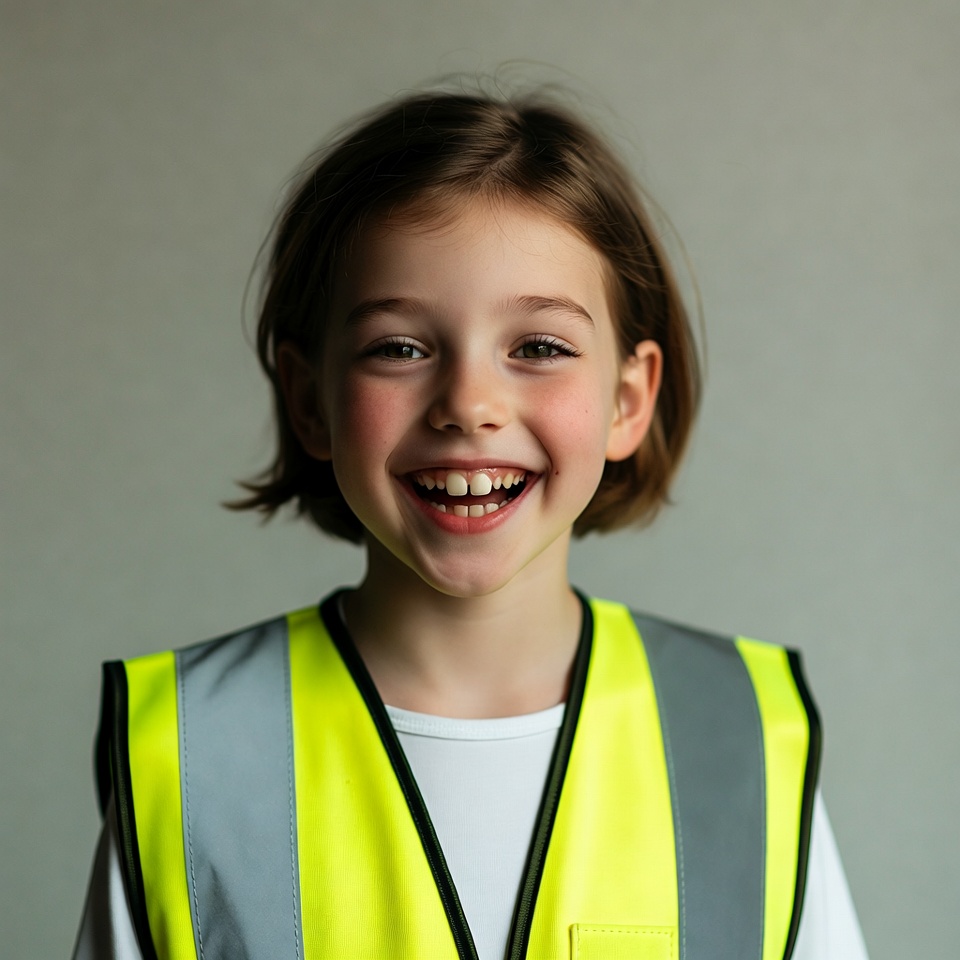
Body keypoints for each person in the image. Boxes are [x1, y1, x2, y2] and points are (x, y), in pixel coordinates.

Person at [73, 87, 869, 960]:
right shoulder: (189, 747)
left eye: (539, 347)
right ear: (309, 401)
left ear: (628, 400)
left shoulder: (744, 733)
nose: (469, 403)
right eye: (399, 348)